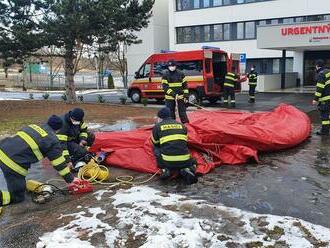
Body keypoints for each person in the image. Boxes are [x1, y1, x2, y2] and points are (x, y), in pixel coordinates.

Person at [0, 115, 81, 206]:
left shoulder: (32, 126)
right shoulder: (52, 140)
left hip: (2, 148)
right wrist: (71, 179)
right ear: (58, 129)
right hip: (13, 164)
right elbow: (59, 164)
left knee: (21, 185)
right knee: (17, 197)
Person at [151, 107, 198, 185]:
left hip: (167, 162)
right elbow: (184, 142)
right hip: (185, 161)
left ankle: (164, 169)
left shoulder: (157, 127)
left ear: (160, 118)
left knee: (155, 148)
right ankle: (188, 169)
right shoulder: (182, 126)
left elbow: (155, 143)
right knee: (194, 161)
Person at [313, 59, 330, 136]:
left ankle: (325, 131)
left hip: (325, 99)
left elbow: (320, 88)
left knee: (324, 115)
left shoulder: (321, 74)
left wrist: (315, 99)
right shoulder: (328, 72)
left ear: (317, 66)